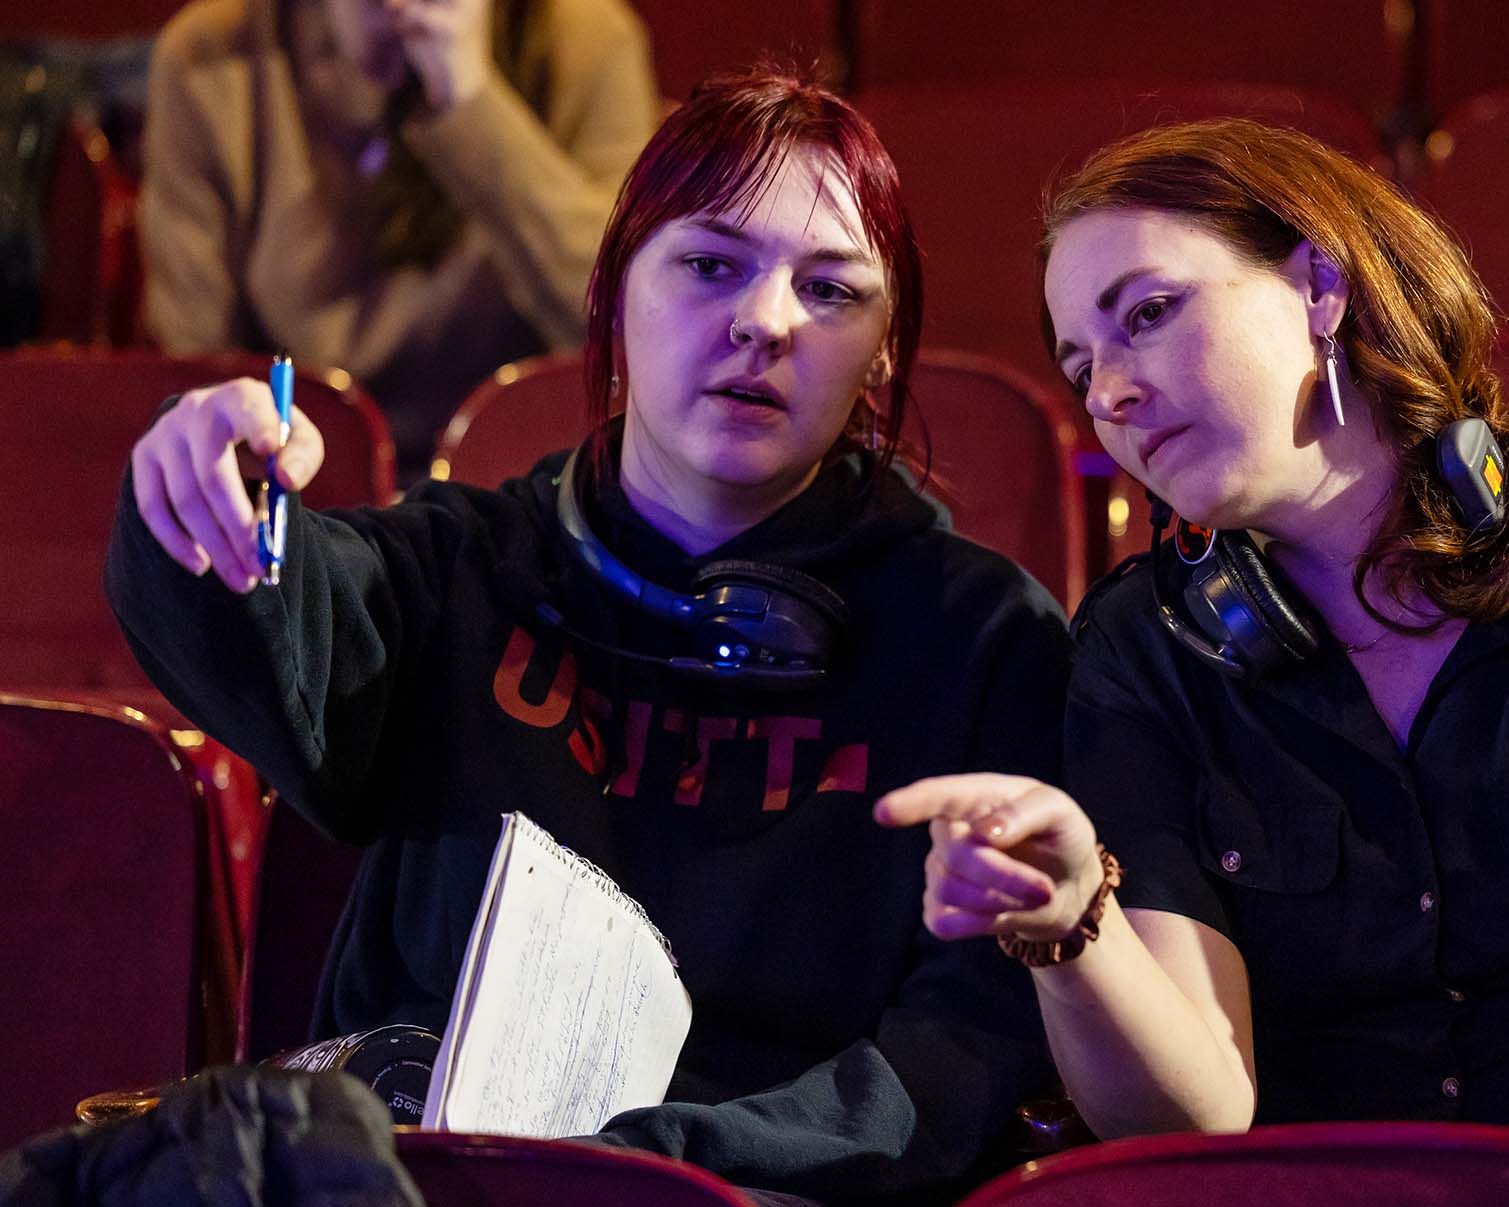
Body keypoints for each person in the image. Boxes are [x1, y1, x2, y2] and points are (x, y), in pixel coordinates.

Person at [108, 69, 1066, 1205]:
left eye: (830, 290)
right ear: (614, 297)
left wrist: (639, 1175)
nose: (764, 320)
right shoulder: (462, 566)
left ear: (883, 355)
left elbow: (952, 1064)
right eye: (711, 264)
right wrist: (195, 485)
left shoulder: (982, 641)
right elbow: (260, 616)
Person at [878, 118, 1509, 1202]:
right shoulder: (1140, 645)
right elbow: (1197, 1113)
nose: (1109, 394)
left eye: (1150, 315)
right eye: (1081, 366)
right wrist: (1078, 925)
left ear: (1321, 286)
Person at [139, 0, 660, 476]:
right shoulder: (211, 56)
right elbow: (196, 373)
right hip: (301, 480)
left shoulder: (586, 40)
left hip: (516, 485)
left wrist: (471, 103)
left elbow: (628, 323)